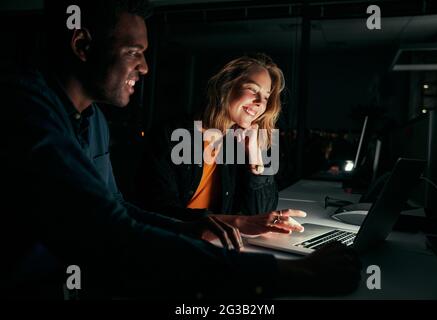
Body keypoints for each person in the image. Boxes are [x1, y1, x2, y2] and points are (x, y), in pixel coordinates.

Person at [0, 0, 361, 299]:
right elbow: (115, 231)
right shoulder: (25, 109)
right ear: (82, 45)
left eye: (266, 98)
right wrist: (291, 273)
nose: (144, 66)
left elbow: (118, 209)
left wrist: (255, 167)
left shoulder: (91, 119)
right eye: (134, 52)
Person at [135, 54, 305, 236]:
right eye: (252, 89)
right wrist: (236, 222)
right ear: (226, 86)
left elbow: (259, 215)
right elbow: (159, 213)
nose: (260, 102)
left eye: (266, 96)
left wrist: (256, 160)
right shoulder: (169, 136)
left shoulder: (239, 143)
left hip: (219, 243)